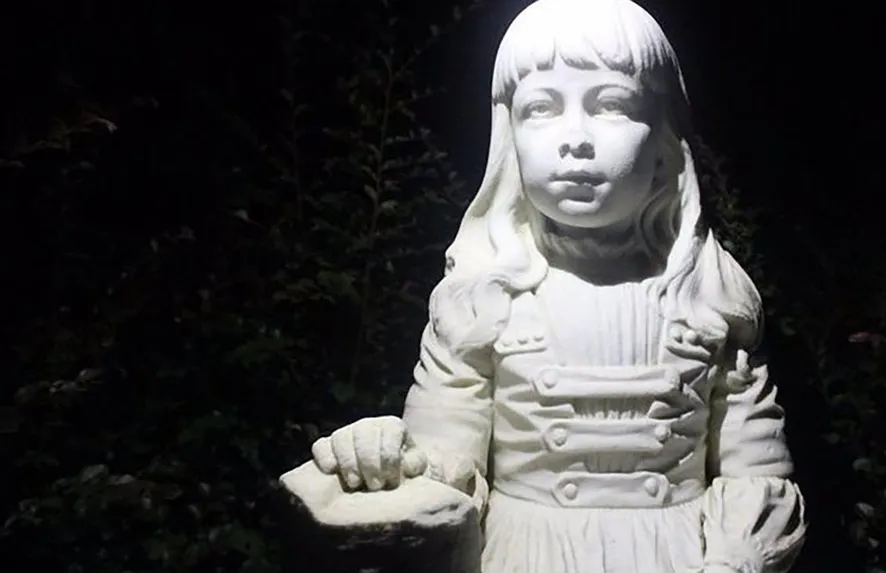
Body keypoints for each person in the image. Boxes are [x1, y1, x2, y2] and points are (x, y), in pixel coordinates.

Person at [309, 1, 806, 571]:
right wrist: (386, 459)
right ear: (508, 138)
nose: (576, 138)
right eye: (542, 108)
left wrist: (734, 562)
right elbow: (444, 466)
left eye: (611, 105)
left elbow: (758, 473)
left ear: (667, 140)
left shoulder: (710, 298)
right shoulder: (480, 298)